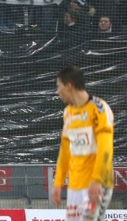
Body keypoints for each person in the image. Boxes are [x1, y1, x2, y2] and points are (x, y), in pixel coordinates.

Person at [51, 66, 115, 221]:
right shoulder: (68, 113)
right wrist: (58, 183)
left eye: (59, 87)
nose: (57, 91)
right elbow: (65, 151)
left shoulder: (98, 109)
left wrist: (97, 180)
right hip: (75, 185)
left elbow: (105, 147)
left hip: (97, 183)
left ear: (69, 86)